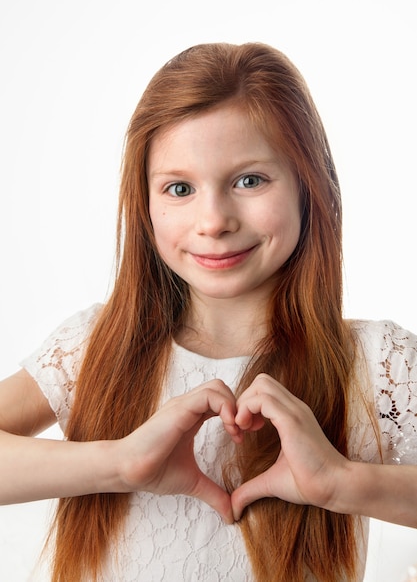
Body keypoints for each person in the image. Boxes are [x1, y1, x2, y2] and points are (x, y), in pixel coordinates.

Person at [1, 42, 416, 582]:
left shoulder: (378, 364)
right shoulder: (95, 345)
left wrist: (342, 481)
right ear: (144, 204)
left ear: (307, 186)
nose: (214, 220)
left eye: (249, 180)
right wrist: (121, 463)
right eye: (179, 188)